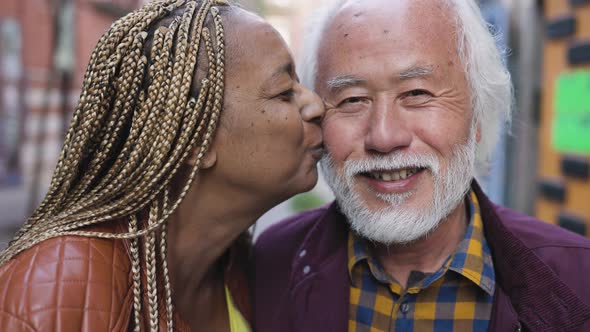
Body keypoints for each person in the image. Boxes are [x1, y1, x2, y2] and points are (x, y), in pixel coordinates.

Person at [253, 0, 590, 331]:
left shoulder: (577, 280)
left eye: (417, 93)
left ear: (477, 112)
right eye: (352, 99)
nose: (384, 137)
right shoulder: (271, 262)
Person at [0, 0, 324, 331]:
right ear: (195, 137)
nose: (315, 105)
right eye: (285, 93)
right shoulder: (57, 285)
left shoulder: (239, 271)